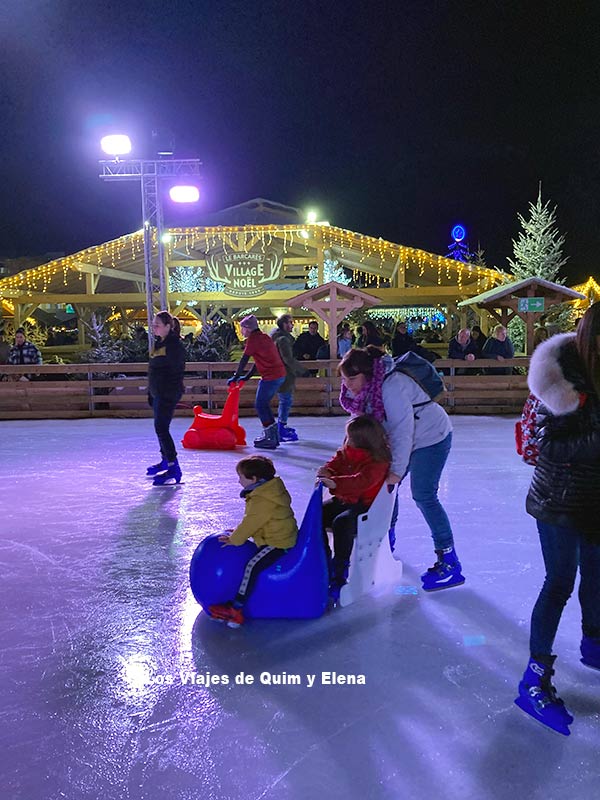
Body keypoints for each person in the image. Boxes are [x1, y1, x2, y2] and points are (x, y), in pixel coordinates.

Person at [515, 303, 600, 736]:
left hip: (595, 501)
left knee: (599, 575)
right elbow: (540, 448)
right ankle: (534, 678)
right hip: (559, 502)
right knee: (560, 583)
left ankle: (594, 640)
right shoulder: (558, 378)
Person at [338, 345, 464, 591]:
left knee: (423, 495)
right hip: (407, 439)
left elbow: (402, 432)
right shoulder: (366, 390)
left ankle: (449, 561)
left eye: (352, 378)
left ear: (367, 374)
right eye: (343, 378)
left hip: (431, 437)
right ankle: (385, 543)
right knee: (384, 487)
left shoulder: (391, 386)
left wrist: (396, 471)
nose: (347, 384)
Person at [207, 455, 298, 628]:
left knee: (252, 566)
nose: (239, 481)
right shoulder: (265, 491)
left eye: (241, 477)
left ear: (254, 479)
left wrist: (235, 539)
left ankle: (236, 609)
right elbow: (257, 521)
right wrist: (240, 531)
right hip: (276, 535)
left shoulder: (262, 498)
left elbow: (252, 521)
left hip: (279, 542)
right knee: (252, 564)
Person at [317, 415, 391, 599]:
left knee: (342, 523)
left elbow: (361, 482)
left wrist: (334, 483)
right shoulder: (347, 451)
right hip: (345, 499)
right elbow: (335, 462)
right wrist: (327, 471)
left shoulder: (378, 461)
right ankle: (321, 556)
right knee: (316, 514)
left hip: (366, 506)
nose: (346, 440)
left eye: (350, 437)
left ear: (362, 441)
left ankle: (340, 568)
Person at [228, 315, 286, 450]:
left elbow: (245, 359)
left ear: (248, 328)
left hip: (271, 376)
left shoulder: (253, 339)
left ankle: (270, 437)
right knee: (263, 404)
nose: (241, 331)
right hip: (278, 374)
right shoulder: (264, 337)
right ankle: (273, 436)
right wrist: (246, 377)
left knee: (260, 405)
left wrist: (236, 376)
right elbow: (257, 361)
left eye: (242, 328)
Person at [146, 312, 187, 485]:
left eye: (157, 325)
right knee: (160, 428)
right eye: (153, 325)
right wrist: (151, 392)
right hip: (158, 393)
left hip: (167, 393)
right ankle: (166, 460)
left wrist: (164, 392)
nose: (153, 327)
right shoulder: (159, 344)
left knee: (162, 429)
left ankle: (173, 466)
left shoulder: (174, 346)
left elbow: (175, 372)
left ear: (168, 327)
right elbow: (154, 370)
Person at [271, 313, 307, 442]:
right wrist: (302, 370)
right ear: (284, 324)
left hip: (280, 373)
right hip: (284, 374)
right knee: (286, 400)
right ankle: (281, 427)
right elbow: (288, 358)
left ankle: (281, 426)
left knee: (285, 400)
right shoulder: (283, 340)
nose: (292, 325)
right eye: (290, 323)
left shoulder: (278, 338)